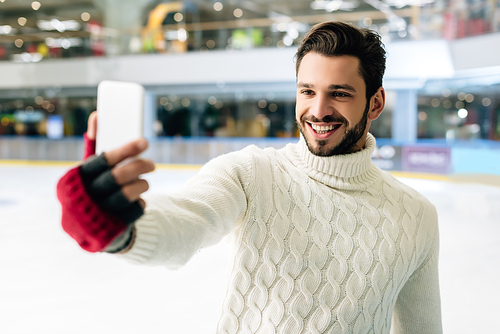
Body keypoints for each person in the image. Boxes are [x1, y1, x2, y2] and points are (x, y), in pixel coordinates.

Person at [57, 21, 442, 333]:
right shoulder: (251, 173)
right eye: (307, 91)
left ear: (375, 102)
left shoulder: (416, 215)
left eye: (339, 93)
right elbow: (184, 221)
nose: (318, 110)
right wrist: (120, 226)